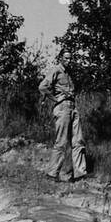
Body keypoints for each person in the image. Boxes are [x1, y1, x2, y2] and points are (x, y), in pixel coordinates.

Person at [38, 49, 88, 182]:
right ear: (60, 58)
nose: (68, 60)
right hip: (62, 107)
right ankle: (52, 173)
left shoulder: (69, 74)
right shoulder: (55, 70)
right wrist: (55, 99)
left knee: (78, 140)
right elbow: (42, 87)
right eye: (66, 58)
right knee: (61, 141)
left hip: (73, 107)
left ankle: (79, 174)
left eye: (70, 58)